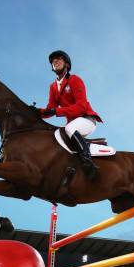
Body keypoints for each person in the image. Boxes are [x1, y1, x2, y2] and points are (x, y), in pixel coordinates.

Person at [39, 50, 102, 180]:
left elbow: (81, 107)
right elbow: (50, 109)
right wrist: (33, 112)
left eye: (58, 59)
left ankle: (88, 164)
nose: (55, 62)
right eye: (53, 61)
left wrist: (57, 111)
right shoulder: (53, 87)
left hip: (87, 119)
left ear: (67, 64)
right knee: (57, 137)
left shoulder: (74, 80)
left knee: (69, 129)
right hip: (73, 123)